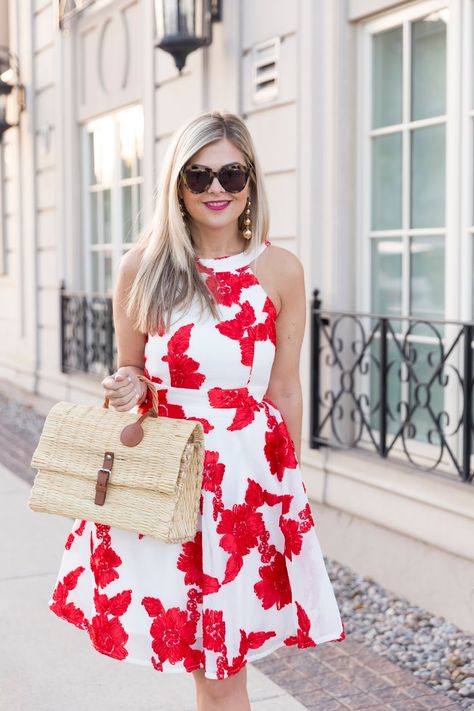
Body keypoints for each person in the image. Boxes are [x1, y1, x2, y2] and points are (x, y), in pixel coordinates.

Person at [48, 109, 345, 711]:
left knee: (221, 666)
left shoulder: (280, 271)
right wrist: (127, 385)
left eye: (232, 175)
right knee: (205, 660)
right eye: (198, 174)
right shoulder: (143, 269)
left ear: (251, 184)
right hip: (169, 476)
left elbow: (284, 389)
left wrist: (288, 494)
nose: (216, 189)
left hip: (244, 483)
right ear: (176, 186)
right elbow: (129, 368)